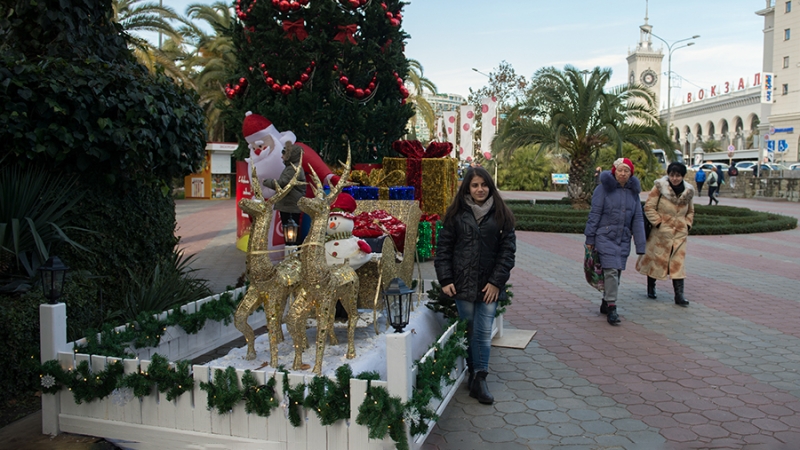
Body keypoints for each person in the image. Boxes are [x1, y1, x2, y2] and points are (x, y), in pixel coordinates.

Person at [435, 166, 516, 405]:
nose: (480, 189)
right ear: (467, 188)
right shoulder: (456, 215)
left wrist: (495, 283)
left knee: (482, 333)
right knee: (470, 330)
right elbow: (444, 250)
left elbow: (507, 253)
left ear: (490, 186)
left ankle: (480, 378)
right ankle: (473, 375)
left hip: (488, 285)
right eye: (474, 185)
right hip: (462, 284)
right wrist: (446, 279)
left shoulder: (501, 214)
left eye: (483, 185)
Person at [584, 158, 646, 326]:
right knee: (611, 270)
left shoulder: (633, 193)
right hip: (604, 236)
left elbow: (638, 219)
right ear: (614, 171)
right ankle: (612, 307)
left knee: (616, 272)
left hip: (623, 238)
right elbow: (595, 214)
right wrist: (590, 238)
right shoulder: (603, 189)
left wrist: (641, 245)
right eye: (620, 170)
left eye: (626, 171)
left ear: (631, 173)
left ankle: (606, 301)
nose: (623, 173)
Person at [636, 162, 694, 307]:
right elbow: (649, 207)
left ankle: (679, 296)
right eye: (672, 175)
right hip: (661, 233)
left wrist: (687, 224)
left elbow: (691, 211)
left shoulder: (688, 191)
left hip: (679, 233)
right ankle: (651, 286)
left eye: (678, 175)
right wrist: (659, 222)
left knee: (678, 264)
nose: (675, 178)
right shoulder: (659, 187)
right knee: (656, 260)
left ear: (683, 176)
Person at [261, 142, 306, 242]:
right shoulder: (292, 168)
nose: (281, 156)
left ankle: (292, 253)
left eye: (284, 153)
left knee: (290, 233)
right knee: (291, 232)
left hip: (290, 205)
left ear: (291, 155)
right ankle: (291, 252)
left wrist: (265, 181)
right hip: (290, 204)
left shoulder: (292, 169)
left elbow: (282, 183)